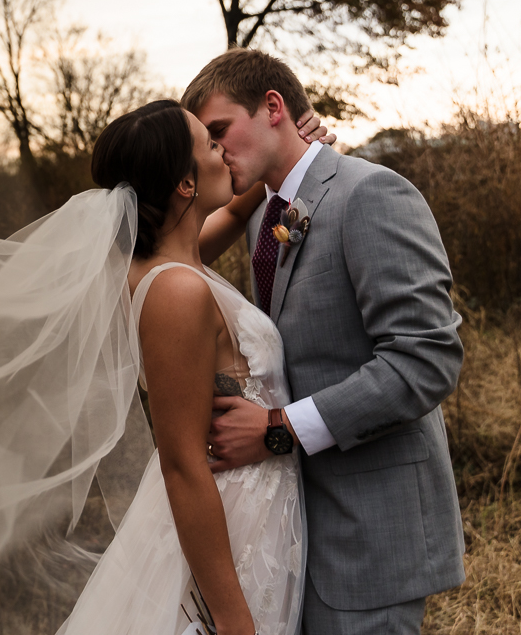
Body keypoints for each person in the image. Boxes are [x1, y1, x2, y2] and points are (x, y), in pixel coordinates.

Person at [187, 49, 466, 635]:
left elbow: (425, 360)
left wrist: (277, 430)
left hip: (372, 530)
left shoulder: (370, 194)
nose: (217, 152)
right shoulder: (265, 215)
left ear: (273, 107)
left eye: (219, 132)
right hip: (301, 525)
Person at [56, 100, 332, 635]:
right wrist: (232, 618)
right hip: (230, 524)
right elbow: (181, 463)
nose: (223, 150)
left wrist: (287, 152)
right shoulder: (177, 292)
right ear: (185, 185)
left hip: (249, 506)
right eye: (210, 143)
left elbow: (231, 213)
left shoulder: (163, 264)